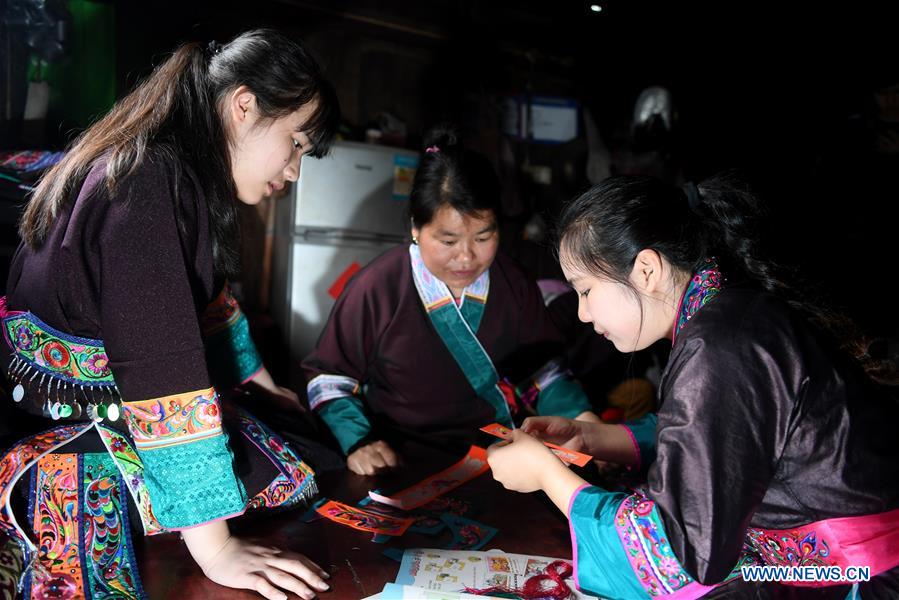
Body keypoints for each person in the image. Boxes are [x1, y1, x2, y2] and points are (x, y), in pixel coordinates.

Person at [0, 29, 340, 600]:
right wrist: (218, 549)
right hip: (68, 429)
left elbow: (209, 307)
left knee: (301, 437)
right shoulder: (149, 178)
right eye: (297, 144)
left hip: (97, 403)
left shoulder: (171, 171)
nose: (295, 171)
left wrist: (268, 387)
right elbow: (161, 363)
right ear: (243, 105)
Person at [486, 174, 899, 598]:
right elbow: (717, 439)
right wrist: (595, 436)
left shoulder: (721, 346)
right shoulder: (725, 316)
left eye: (587, 291)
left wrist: (548, 476)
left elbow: (676, 553)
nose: (583, 314)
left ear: (646, 269)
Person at [302, 126, 597, 476]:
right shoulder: (378, 287)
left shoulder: (513, 283)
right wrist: (358, 441)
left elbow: (543, 372)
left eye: (483, 237)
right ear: (416, 227)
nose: (466, 257)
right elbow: (329, 379)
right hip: (396, 453)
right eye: (448, 241)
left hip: (497, 453)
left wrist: (583, 421)